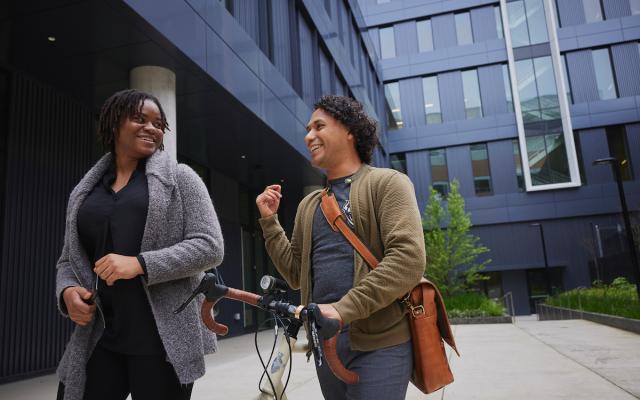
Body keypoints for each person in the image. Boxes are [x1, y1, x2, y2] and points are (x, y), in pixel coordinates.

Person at [55, 89, 224, 400]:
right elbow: (69, 259)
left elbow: (210, 246)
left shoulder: (181, 178)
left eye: (158, 123)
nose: (152, 128)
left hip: (163, 340)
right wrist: (66, 291)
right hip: (100, 333)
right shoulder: (86, 190)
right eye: (139, 119)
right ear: (113, 123)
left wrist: (140, 264)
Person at [256, 95, 425, 399]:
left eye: (319, 126)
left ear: (349, 129)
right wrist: (270, 222)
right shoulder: (310, 204)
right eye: (307, 129)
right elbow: (296, 274)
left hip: (381, 344)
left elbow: (408, 260)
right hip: (326, 342)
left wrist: (341, 310)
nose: (309, 135)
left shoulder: (388, 184)